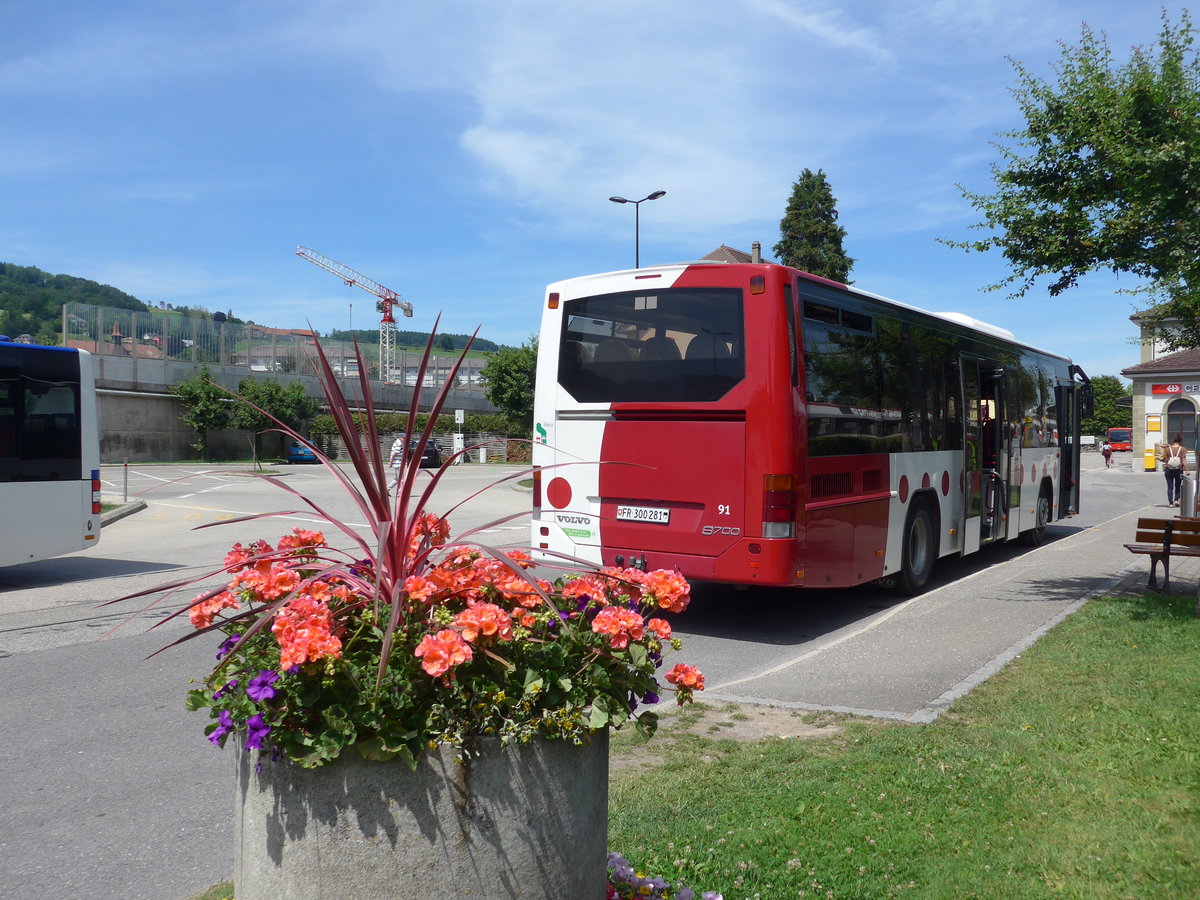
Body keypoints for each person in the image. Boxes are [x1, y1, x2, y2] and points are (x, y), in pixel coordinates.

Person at [1161, 433, 1189, 507]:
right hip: (1178, 470)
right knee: (1178, 485)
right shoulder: (1183, 449)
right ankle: (1176, 500)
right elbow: (1184, 460)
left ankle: (1170, 503)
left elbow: (1165, 460)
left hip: (1168, 470)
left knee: (1170, 487)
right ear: (1181, 441)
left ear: (1173, 441)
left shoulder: (1167, 449)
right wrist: (1187, 470)